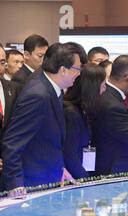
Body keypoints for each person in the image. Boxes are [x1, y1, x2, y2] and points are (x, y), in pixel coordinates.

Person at [2, 42, 84, 197]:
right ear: (63, 70)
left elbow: (47, 138)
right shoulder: (38, 95)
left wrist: (60, 167)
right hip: (31, 183)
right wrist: (15, 186)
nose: (79, 74)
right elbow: (12, 142)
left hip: (47, 174)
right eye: (77, 69)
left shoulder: (51, 86)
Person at [63, 64, 107, 179]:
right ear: (92, 88)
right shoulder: (71, 114)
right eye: (102, 85)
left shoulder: (82, 110)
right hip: (73, 180)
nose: (104, 89)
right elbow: (70, 156)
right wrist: (86, 181)